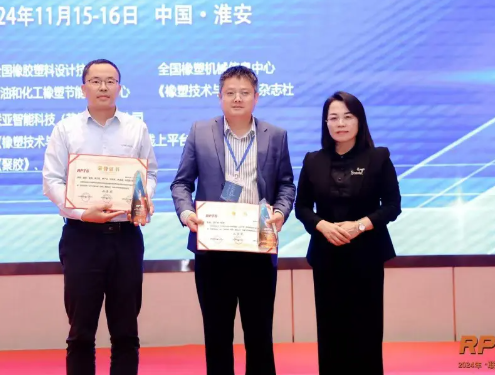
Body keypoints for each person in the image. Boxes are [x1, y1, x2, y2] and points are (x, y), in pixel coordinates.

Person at [170, 66, 296, 375]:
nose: (237, 98)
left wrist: (280, 212)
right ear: (220, 97)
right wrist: (186, 213)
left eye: (244, 93)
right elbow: (181, 183)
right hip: (213, 248)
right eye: (230, 92)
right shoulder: (200, 131)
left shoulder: (275, 136)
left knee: (259, 335)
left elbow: (286, 185)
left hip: (258, 246)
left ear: (256, 97)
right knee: (217, 335)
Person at [42, 59, 157, 375]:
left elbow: (150, 173)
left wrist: (142, 198)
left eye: (110, 81)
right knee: (81, 333)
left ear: (120, 87)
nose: (103, 87)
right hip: (82, 237)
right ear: (84, 88)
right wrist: (81, 213)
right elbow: (52, 181)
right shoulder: (66, 129)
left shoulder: (136, 128)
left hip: (126, 237)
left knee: (126, 332)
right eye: (95, 81)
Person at [294, 91, 402, 374]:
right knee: (330, 331)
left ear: (359, 121)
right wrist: (322, 225)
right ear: (326, 123)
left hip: (367, 256)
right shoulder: (313, 160)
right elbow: (302, 207)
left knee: (366, 331)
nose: (340, 123)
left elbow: (393, 206)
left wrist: (360, 225)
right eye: (333, 118)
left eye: (347, 116)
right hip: (326, 256)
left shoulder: (378, 157)